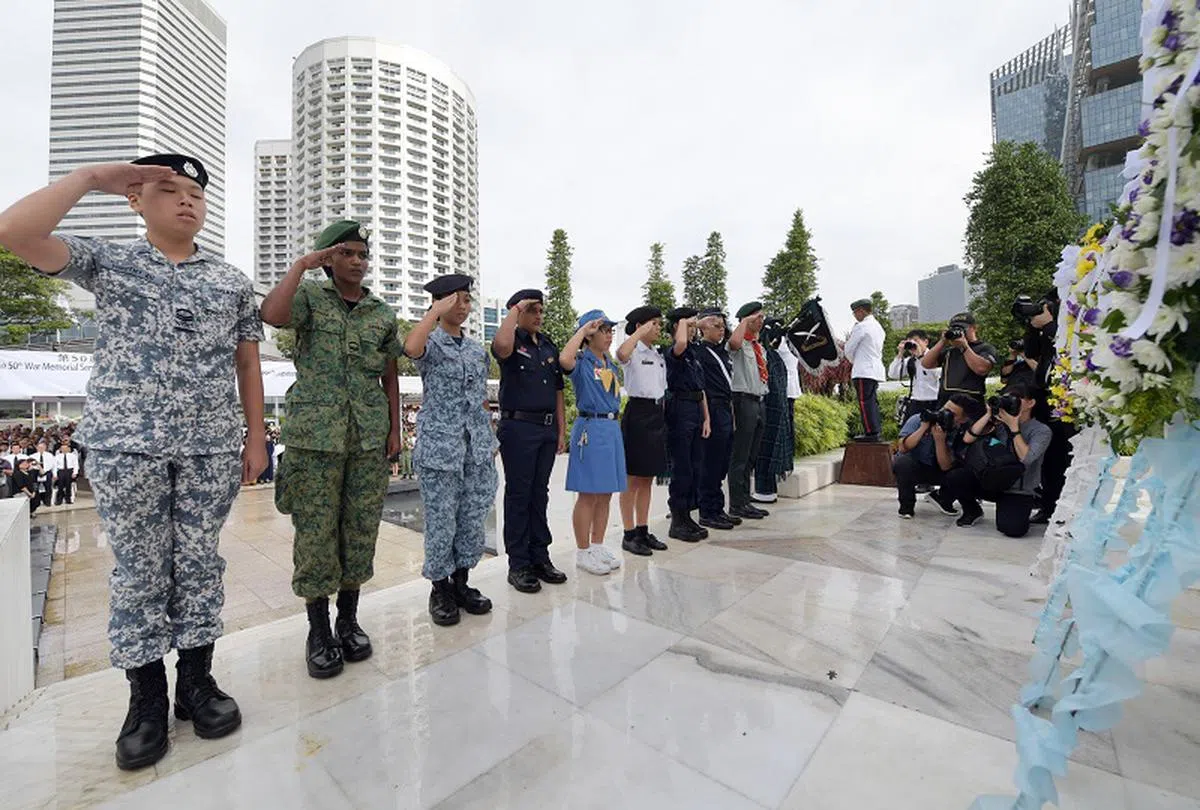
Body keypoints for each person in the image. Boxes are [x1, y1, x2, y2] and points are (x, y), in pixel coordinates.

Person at [0, 154, 267, 770]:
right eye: (168, 189)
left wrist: (255, 437)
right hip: (129, 442)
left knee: (200, 562)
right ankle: (145, 698)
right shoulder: (110, 260)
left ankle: (196, 684)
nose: (186, 202)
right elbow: (15, 234)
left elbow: (248, 363)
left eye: (196, 194)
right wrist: (91, 177)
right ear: (135, 201)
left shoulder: (230, 280)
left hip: (209, 445)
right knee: (141, 571)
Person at [260, 219, 402, 679]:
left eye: (363, 254)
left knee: (360, 530)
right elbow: (273, 315)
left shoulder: (381, 312)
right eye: (347, 253)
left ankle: (348, 619)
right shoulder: (307, 296)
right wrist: (302, 266)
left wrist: (394, 430)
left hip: (366, 435)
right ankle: (318, 629)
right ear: (328, 257)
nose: (358, 262)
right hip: (315, 438)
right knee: (317, 533)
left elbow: (391, 374)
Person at [405, 273, 498, 626]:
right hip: (440, 448)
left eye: (467, 300)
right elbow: (411, 348)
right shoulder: (431, 342)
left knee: (472, 519)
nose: (464, 306)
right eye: (456, 300)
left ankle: (462, 582)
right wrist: (433, 312)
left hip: (476, 447)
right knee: (441, 521)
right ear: (441, 303)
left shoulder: (477, 350)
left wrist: (489, 441)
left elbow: (480, 400)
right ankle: (440, 588)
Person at [491, 288, 569, 594]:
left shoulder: (547, 345)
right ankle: (518, 564)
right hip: (519, 428)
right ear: (518, 311)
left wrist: (561, 430)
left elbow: (559, 391)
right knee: (519, 495)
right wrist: (513, 312)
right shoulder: (512, 341)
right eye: (531, 310)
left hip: (546, 430)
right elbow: (500, 347)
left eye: (540, 310)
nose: (538, 315)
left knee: (540, 494)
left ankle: (540, 557)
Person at [560, 310, 626, 576]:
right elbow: (564, 359)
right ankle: (583, 550)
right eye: (603, 330)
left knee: (606, 492)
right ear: (589, 335)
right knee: (588, 493)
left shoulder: (609, 364)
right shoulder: (581, 361)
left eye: (611, 330)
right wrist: (583, 331)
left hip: (611, 427)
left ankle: (597, 545)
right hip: (591, 426)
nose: (609, 335)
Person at [939, 383, 1052, 537]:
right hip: (991, 480)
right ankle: (972, 510)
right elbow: (968, 438)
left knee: (1013, 530)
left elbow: (1026, 458)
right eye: (1008, 398)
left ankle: (1010, 509)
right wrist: (988, 414)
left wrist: (1014, 427)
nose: (1012, 401)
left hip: (1017, 489)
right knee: (956, 476)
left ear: (1030, 403)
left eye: (1017, 398)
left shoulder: (1041, 430)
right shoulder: (1000, 424)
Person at [616, 305, 669, 556]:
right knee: (631, 479)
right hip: (637, 413)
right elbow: (621, 353)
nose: (659, 328)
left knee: (647, 478)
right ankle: (628, 534)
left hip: (656, 414)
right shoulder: (633, 350)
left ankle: (642, 529)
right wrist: (638, 333)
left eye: (659, 324)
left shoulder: (657, 355)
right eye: (655, 324)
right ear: (640, 326)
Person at [661, 307, 710, 542]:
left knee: (695, 466)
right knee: (682, 468)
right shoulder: (673, 351)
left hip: (696, 410)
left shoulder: (694, 354)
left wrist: (706, 417)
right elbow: (679, 342)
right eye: (689, 327)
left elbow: (701, 389)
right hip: (679, 410)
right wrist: (683, 320)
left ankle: (688, 515)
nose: (692, 331)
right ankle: (677, 519)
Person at [892, 395, 981, 518]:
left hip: (941, 471)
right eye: (945, 409)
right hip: (918, 466)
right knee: (902, 461)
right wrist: (923, 428)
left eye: (952, 414)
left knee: (961, 471)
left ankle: (943, 498)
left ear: (963, 419)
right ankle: (906, 507)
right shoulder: (919, 419)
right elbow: (903, 447)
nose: (944, 414)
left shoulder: (962, 432)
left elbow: (946, 466)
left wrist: (940, 440)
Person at [694, 308, 741, 531]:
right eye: (716, 326)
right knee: (710, 462)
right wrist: (706, 417)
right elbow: (701, 386)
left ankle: (718, 508)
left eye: (723, 326)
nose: (721, 330)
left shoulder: (721, 352)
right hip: (710, 408)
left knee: (722, 461)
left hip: (725, 407)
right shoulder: (699, 352)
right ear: (703, 327)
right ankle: (707, 511)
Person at [727, 301, 770, 520]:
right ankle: (736, 504)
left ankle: (745, 499)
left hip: (759, 400)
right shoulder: (738, 344)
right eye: (758, 318)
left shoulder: (758, 346)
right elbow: (734, 342)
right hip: (743, 400)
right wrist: (744, 321)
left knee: (752, 455)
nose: (762, 321)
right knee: (740, 455)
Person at [753, 318, 795, 502]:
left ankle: (764, 491)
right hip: (783, 401)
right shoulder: (781, 352)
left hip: (772, 404)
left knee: (765, 446)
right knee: (771, 445)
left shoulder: (772, 355)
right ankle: (767, 490)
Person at [922, 312, 998, 405]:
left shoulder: (985, 348)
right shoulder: (950, 351)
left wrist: (965, 347)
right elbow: (926, 364)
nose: (959, 331)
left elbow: (981, 369)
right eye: (954, 328)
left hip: (971, 404)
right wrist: (942, 341)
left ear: (974, 328)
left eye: (962, 328)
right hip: (945, 403)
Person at [845, 298, 886, 442]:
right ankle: (875, 430)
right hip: (875, 370)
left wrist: (853, 360)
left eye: (855, 312)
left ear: (861, 311)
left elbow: (848, 349)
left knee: (864, 402)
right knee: (872, 401)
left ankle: (871, 433)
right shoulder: (877, 326)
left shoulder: (861, 327)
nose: (855, 316)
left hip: (863, 369)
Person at [888, 329, 941, 425]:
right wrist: (900, 354)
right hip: (915, 401)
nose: (913, 345)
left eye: (916, 341)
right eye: (910, 342)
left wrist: (922, 358)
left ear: (926, 342)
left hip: (933, 401)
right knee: (909, 433)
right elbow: (892, 374)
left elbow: (937, 375)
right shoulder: (910, 361)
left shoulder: (936, 357)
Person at [31, 440, 56, 508]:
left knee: (48, 488)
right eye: (39, 447)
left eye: (42, 447)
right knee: (36, 488)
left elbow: (53, 465)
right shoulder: (32, 456)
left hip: (47, 472)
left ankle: (47, 501)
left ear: (45, 448)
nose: (40, 449)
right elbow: (31, 465)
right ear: (37, 448)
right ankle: (37, 502)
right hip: (36, 473)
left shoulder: (50, 455)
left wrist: (54, 474)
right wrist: (38, 468)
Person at [54, 439, 79, 505]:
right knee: (60, 485)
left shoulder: (73, 456)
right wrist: (55, 474)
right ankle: (59, 500)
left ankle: (68, 499)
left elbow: (76, 465)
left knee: (68, 485)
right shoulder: (57, 457)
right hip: (61, 471)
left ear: (68, 449)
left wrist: (75, 473)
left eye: (65, 448)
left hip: (69, 471)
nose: (64, 450)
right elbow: (55, 466)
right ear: (60, 449)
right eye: (62, 449)